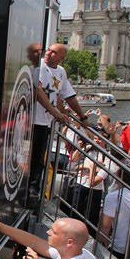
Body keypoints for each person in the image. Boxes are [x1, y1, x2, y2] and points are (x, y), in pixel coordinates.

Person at [29, 44, 90, 204]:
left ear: (62, 57)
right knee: (31, 156)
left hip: (45, 122)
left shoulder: (61, 72)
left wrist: (82, 118)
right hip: (32, 119)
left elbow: (67, 96)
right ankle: (29, 191)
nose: (48, 53)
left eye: (54, 52)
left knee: (39, 159)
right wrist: (56, 112)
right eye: (48, 50)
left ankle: (33, 191)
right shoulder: (38, 65)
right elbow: (38, 90)